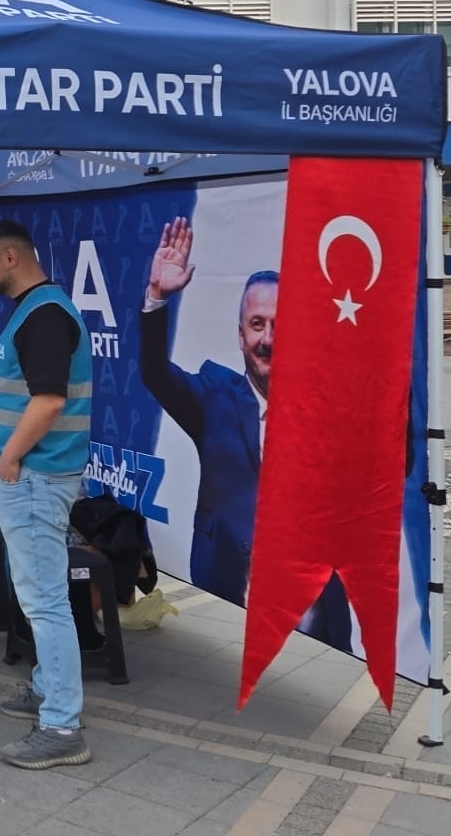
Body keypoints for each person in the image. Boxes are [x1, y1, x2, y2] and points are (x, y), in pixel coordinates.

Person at [139, 218, 351, 649]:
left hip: (315, 609)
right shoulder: (213, 398)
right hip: (227, 588)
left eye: (280, 324)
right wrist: (157, 297)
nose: (268, 339)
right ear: (240, 335)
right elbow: (155, 374)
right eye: (257, 324)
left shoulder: (329, 408)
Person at [0, 220, 92, 770]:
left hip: (35, 478)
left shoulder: (43, 314)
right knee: (40, 594)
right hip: (35, 477)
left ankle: (63, 727)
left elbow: (48, 401)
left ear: (12, 257)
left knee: (44, 601)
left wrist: (11, 458)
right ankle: (48, 688)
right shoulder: (40, 309)